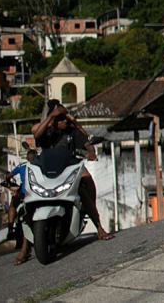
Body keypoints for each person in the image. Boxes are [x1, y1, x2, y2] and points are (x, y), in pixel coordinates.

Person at [30, 100, 112, 241]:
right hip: (47, 169)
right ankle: (25, 246)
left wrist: (90, 152)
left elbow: (86, 142)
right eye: (60, 118)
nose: (64, 120)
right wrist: (52, 117)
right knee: (26, 195)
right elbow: (36, 134)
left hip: (69, 166)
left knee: (86, 182)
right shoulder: (46, 131)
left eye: (65, 117)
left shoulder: (71, 131)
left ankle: (98, 226)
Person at [7, 150, 35, 265]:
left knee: (13, 204)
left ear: (27, 158)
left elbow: (8, 176)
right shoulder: (40, 164)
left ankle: (10, 226)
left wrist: (9, 183)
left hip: (24, 194)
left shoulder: (22, 165)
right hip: (38, 192)